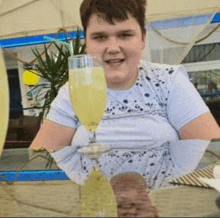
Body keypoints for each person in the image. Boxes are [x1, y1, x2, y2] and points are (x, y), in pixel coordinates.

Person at [29, 0, 220, 216]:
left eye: (125, 35)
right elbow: (39, 154)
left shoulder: (168, 81)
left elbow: (211, 148)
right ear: (86, 43)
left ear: (143, 38)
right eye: (100, 37)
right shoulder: (75, 88)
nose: (112, 48)